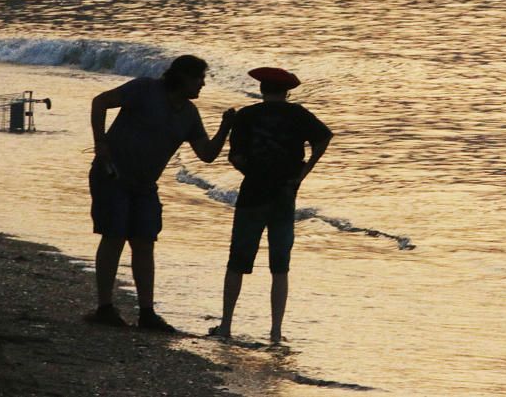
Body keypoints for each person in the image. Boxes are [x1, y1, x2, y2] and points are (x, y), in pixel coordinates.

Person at [87, 55, 235, 332]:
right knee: (114, 237)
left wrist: (225, 128)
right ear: (183, 78)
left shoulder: (189, 114)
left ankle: (147, 313)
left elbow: (206, 155)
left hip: (144, 186)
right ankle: (104, 307)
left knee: (144, 243)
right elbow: (100, 102)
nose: (202, 84)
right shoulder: (144, 89)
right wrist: (100, 142)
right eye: (199, 78)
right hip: (113, 175)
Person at [210, 67, 332, 343]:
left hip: (253, 193)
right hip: (284, 195)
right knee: (280, 266)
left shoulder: (247, 115)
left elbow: (236, 158)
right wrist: (302, 174)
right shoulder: (298, 114)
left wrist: (253, 173)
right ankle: (276, 332)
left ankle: (226, 325)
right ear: (286, 92)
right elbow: (324, 138)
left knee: (237, 261)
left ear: (262, 90)